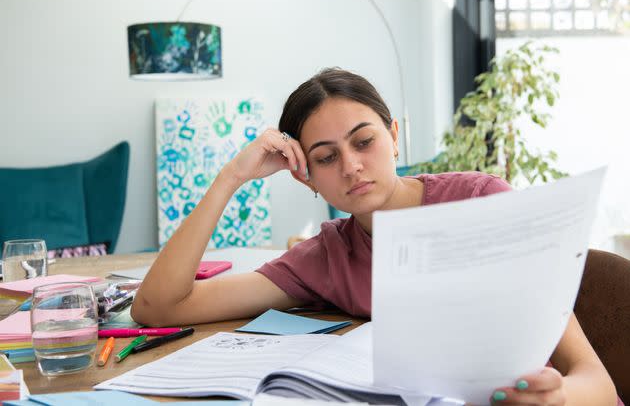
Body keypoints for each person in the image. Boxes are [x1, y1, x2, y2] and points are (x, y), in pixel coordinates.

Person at [131, 68, 619, 405]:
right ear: (305, 176)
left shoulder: (482, 200)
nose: (352, 167)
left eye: (364, 141)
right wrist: (231, 177)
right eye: (325, 157)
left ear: (394, 135)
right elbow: (159, 308)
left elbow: (596, 383)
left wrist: (557, 397)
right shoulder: (328, 256)